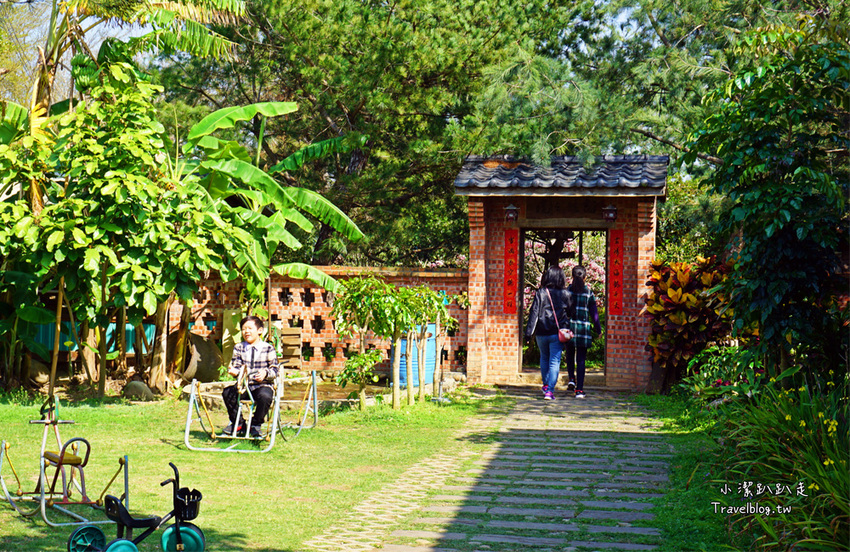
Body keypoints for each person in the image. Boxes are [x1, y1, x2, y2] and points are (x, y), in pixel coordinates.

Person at [222, 316, 279, 437]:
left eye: (250, 328)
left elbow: (275, 370)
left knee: (265, 396)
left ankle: (255, 424)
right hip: (244, 386)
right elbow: (237, 367)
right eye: (243, 329)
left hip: (262, 385)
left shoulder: (268, 348)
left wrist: (265, 373)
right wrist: (234, 371)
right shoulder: (239, 348)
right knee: (227, 393)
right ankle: (239, 423)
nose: (246, 331)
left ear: (259, 330)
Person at [525, 265, 571, 400]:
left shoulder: (541, 293)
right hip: (557, 333)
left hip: (541, 332)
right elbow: (571, 312)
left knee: (544, 358)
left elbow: (534, 313)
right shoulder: (565, 294)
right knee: (554, 361)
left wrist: (528, 333)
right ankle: (550, 391)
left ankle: (545, 386)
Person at [565, 265, 601, 399]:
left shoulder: (568, 291)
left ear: (572, 277)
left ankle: (571, 379)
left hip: (570, 328)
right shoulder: (589, 293)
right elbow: (594, 314)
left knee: (569, 354)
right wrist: (598, 330)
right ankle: (579, 390)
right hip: (584, 330)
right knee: (581, 360)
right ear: (585, 278)